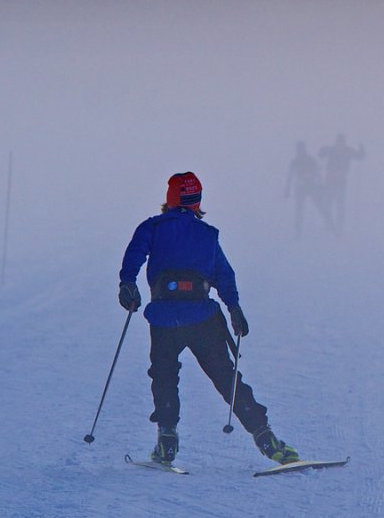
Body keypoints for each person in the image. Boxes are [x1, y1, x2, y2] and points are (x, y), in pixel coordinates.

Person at [118, 171, 299, 467]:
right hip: (203, 319)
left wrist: (127, 284)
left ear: (170, 198)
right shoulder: (207, 235)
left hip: (164, 319)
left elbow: (134, 256)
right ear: (197, 201)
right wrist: (234, 308)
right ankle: (265, 436)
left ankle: (167, 439)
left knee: (164, 375)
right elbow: (224, 276)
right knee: (226, 377)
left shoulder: (152, 228)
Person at [317, 134, 366, 234]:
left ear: (344, 142)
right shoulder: (332, 149)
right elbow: (321, 155)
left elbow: (360, 157)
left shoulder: (348, 151)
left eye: (341, 142)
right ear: (336, 142)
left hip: (341, 181)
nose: (340, 144)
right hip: (330, 180)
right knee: (329, 202)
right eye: (339, 142)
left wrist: (362, 149)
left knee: (340, 203)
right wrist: (322, 150)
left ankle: (339, 226)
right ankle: (328, 224)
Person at [283, 141, 329, 237]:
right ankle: (298, 232)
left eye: (301, 149)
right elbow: (289, 176)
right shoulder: (296, 161)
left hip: (311, 186)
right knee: (300, 210)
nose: (300, 151)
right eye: (299, 149)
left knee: (319, 206)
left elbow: (318, 173)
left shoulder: (309, 160)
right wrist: (287, 189)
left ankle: (329, 224)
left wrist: (321, 185)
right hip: (301, 187)